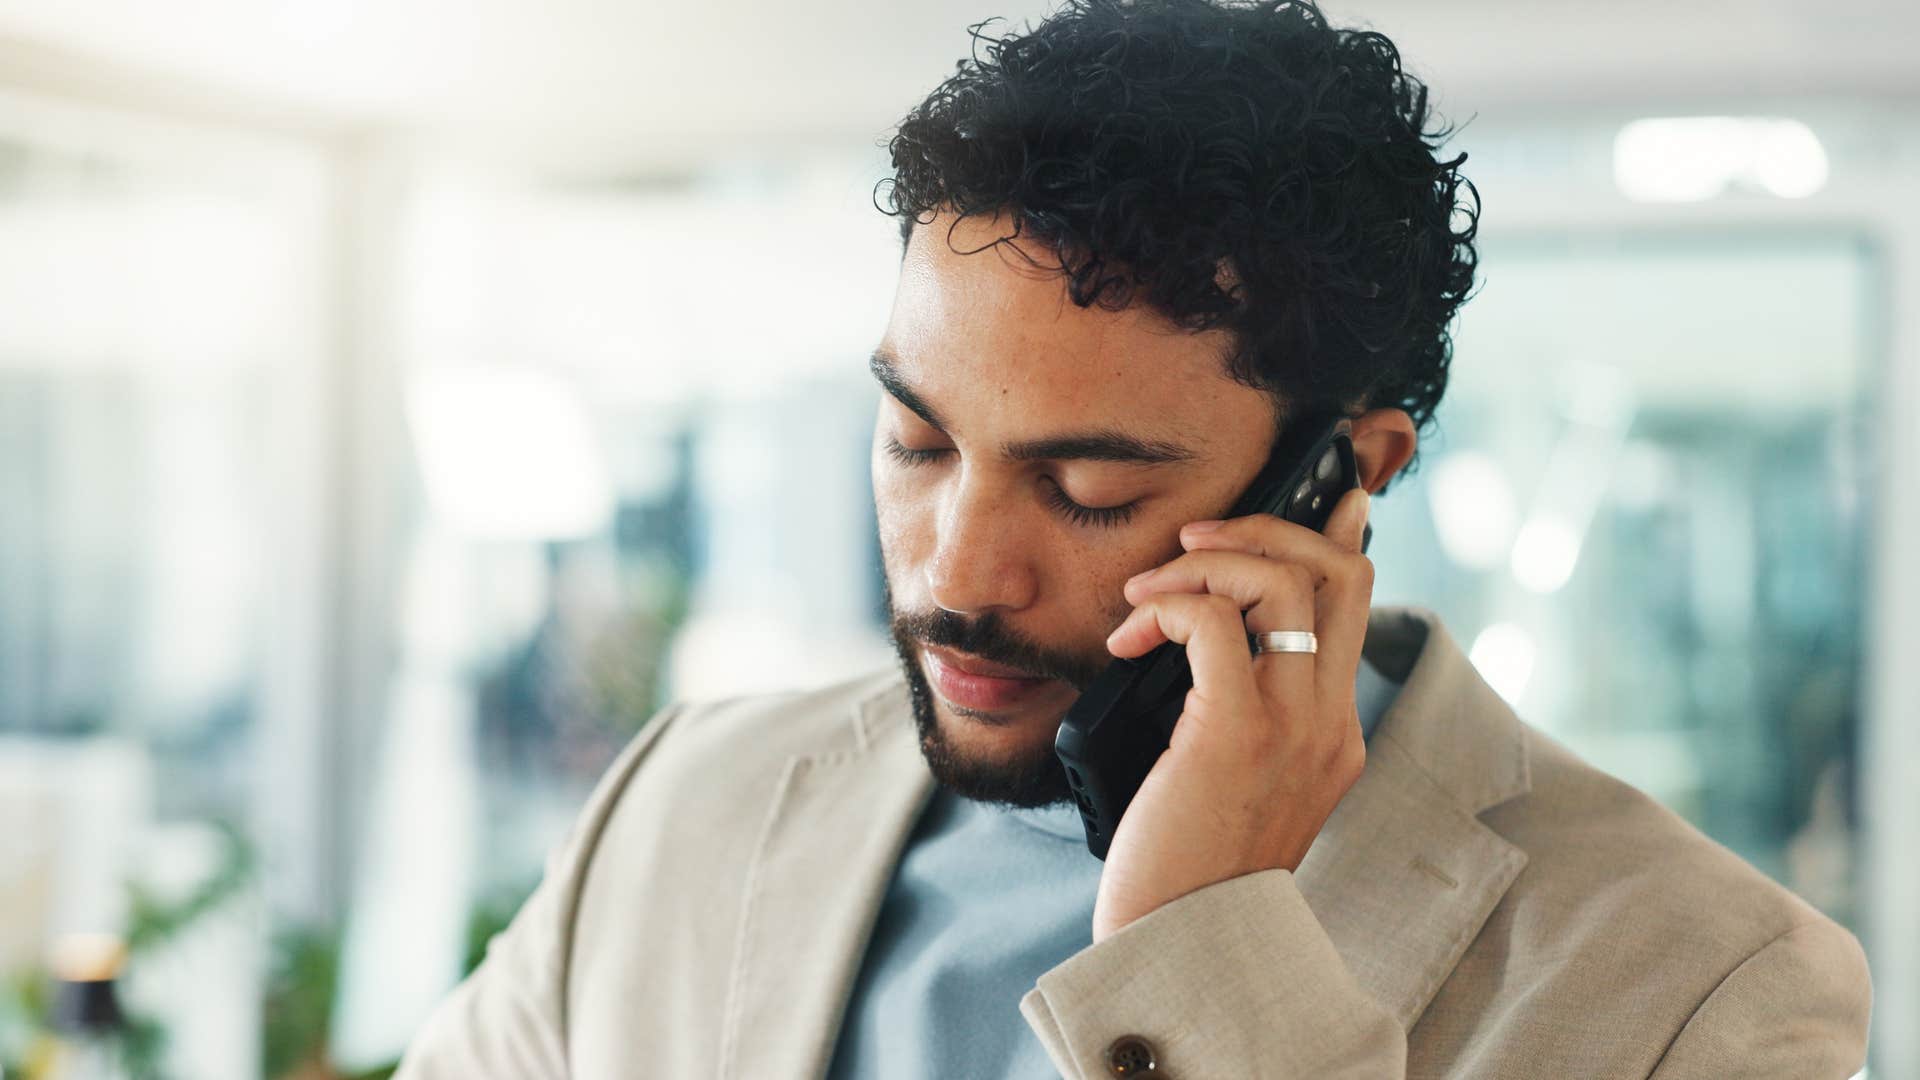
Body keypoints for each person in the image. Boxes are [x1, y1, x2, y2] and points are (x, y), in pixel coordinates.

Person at [395, 0, 1872, 1076]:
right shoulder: (681, 807)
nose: (958, 577)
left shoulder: (1703, 988)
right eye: (917, 443)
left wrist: (1206, 945)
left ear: (1341, 479)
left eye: (1090, 489)